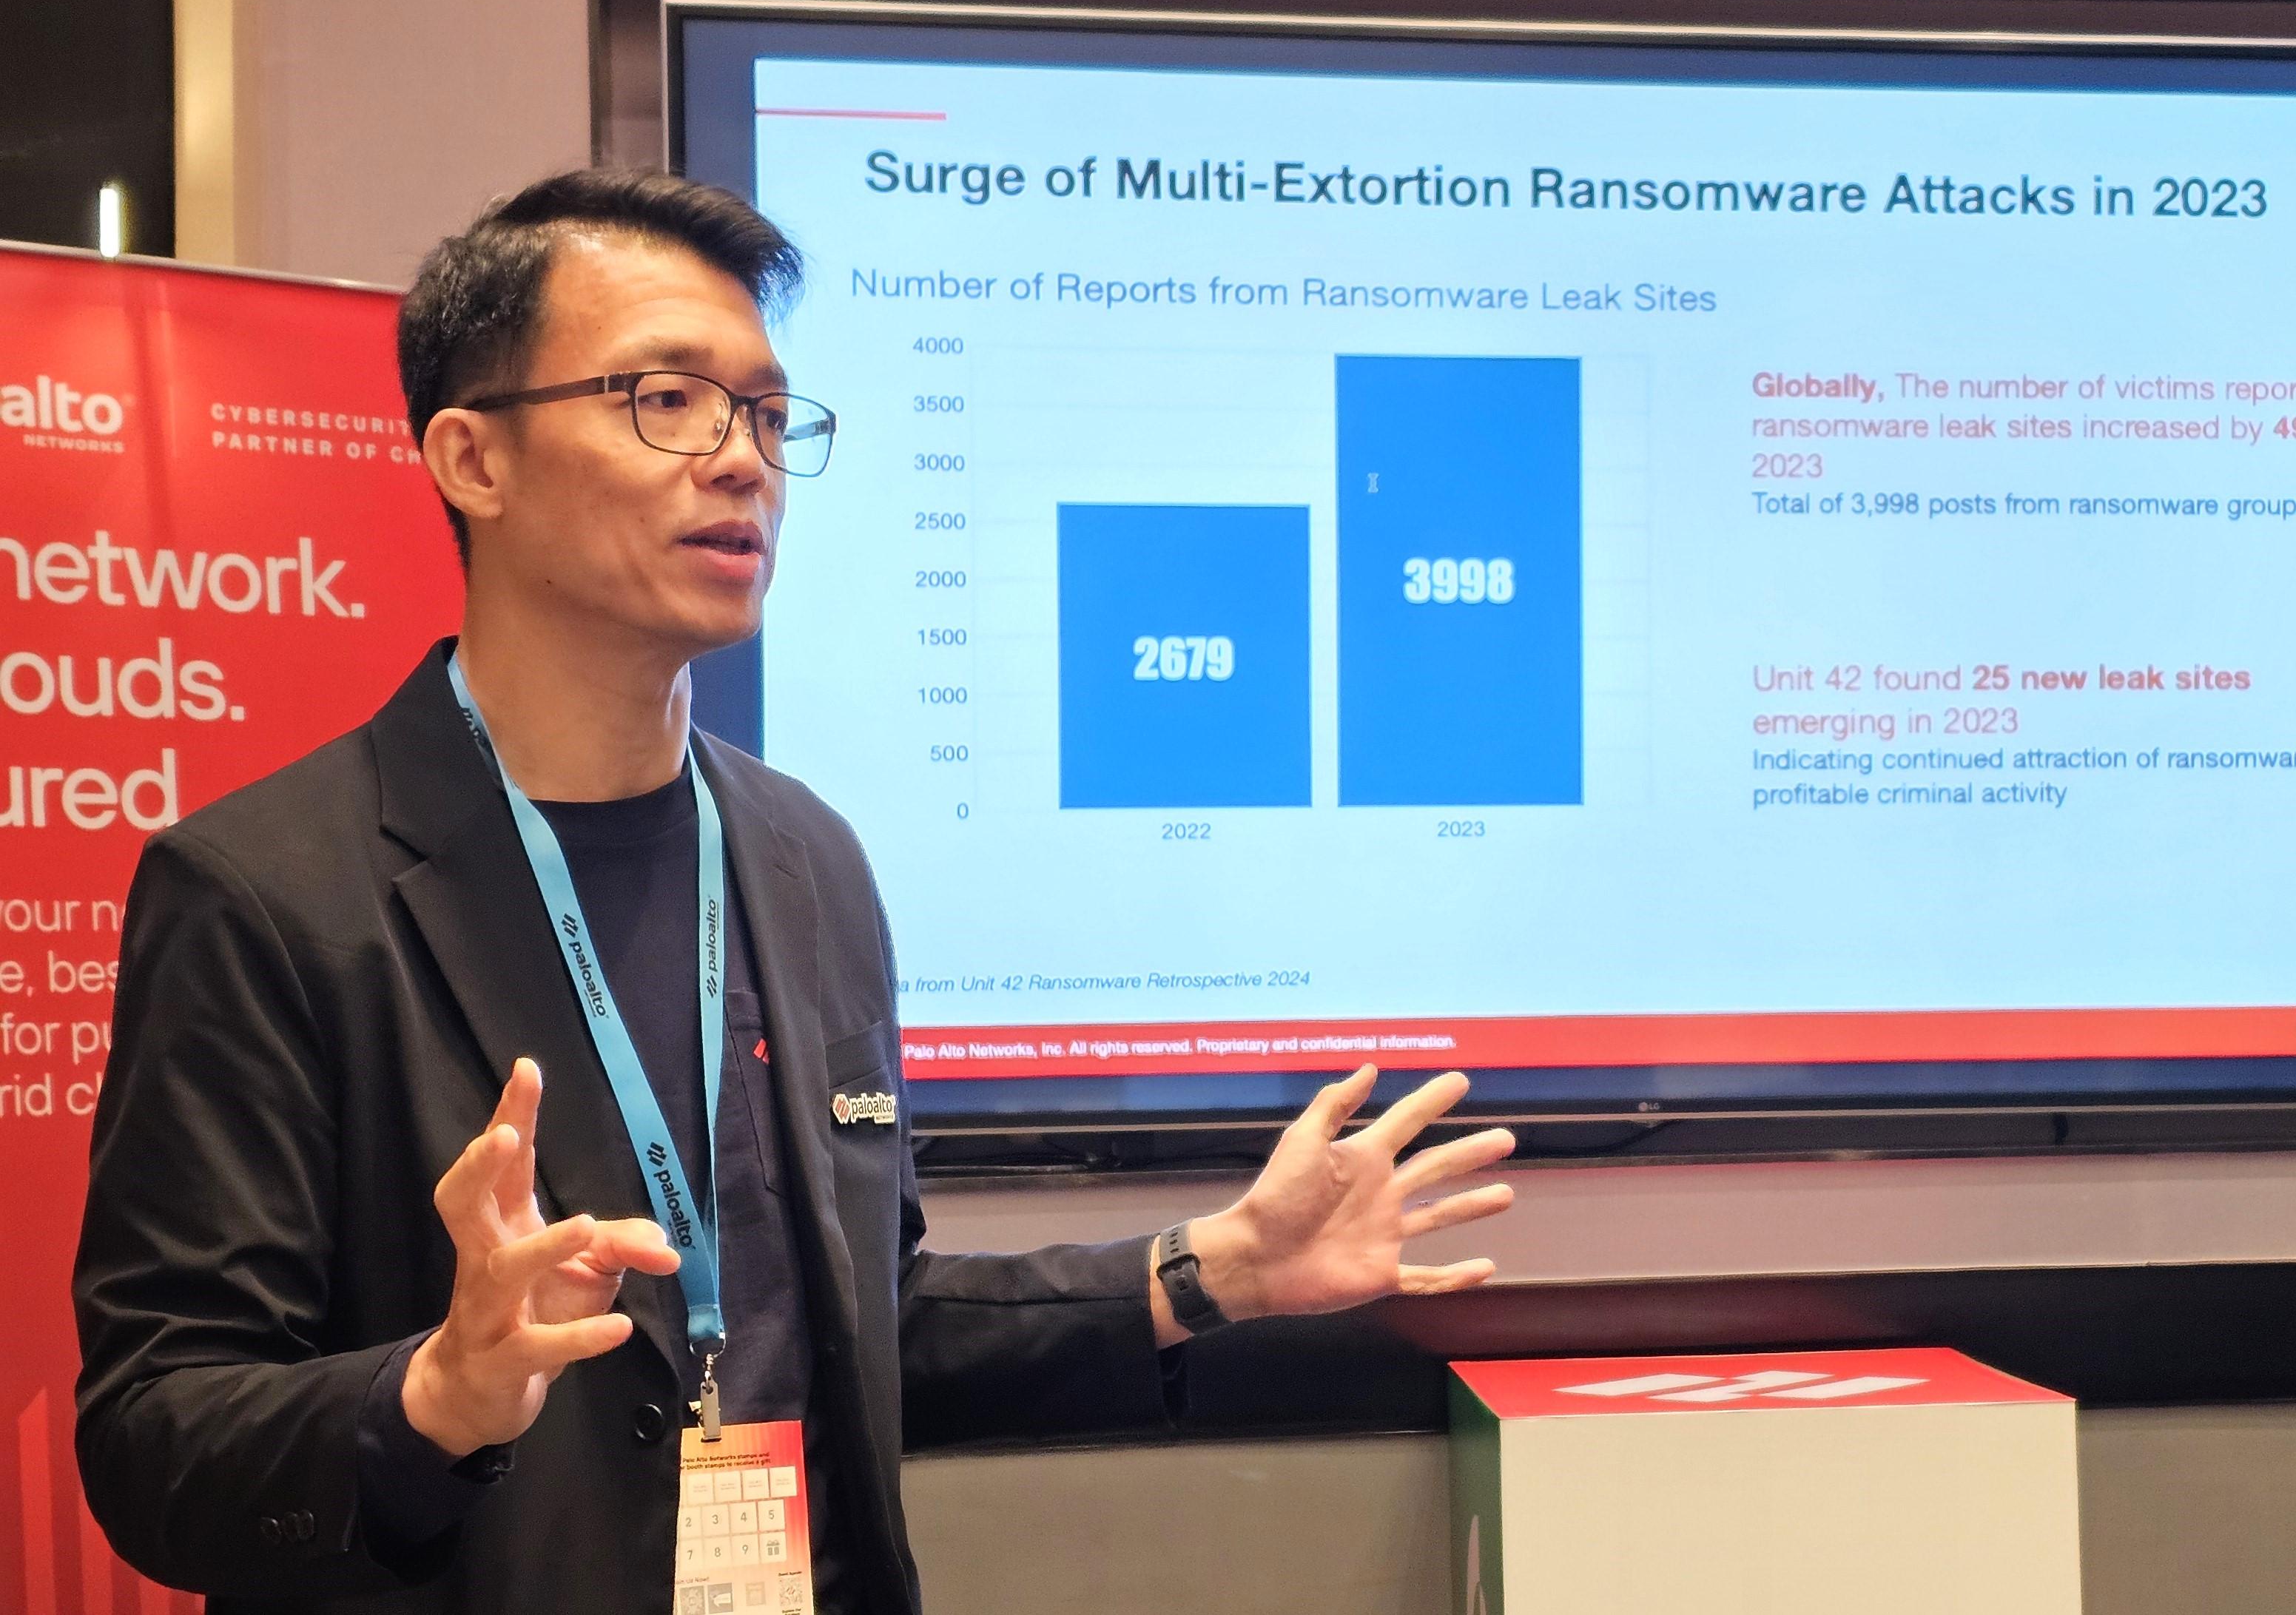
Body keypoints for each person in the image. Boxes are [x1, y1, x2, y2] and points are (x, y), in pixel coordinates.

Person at [70, 168, 1518, 1612]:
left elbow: (864, 1329)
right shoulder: (269, 894)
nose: (741, 461)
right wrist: (435, 1394)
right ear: (474, 460)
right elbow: (153, 1437)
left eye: (766, 415)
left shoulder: (801, 857)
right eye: (666, 399)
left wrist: (1215, 1269)